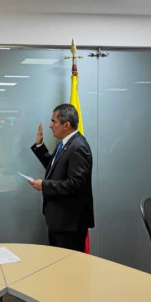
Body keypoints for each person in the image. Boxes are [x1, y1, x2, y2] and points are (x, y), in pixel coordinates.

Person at [30, 103, 94, 251]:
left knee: (69, 268)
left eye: (54, 121)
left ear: (66, 124)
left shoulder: (78, 147)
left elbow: (75, 184)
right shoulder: (66, 144)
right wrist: (39, 145)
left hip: (70, 223)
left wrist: (44, 186)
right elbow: (55, 168)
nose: (50, 126)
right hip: (60, 221)